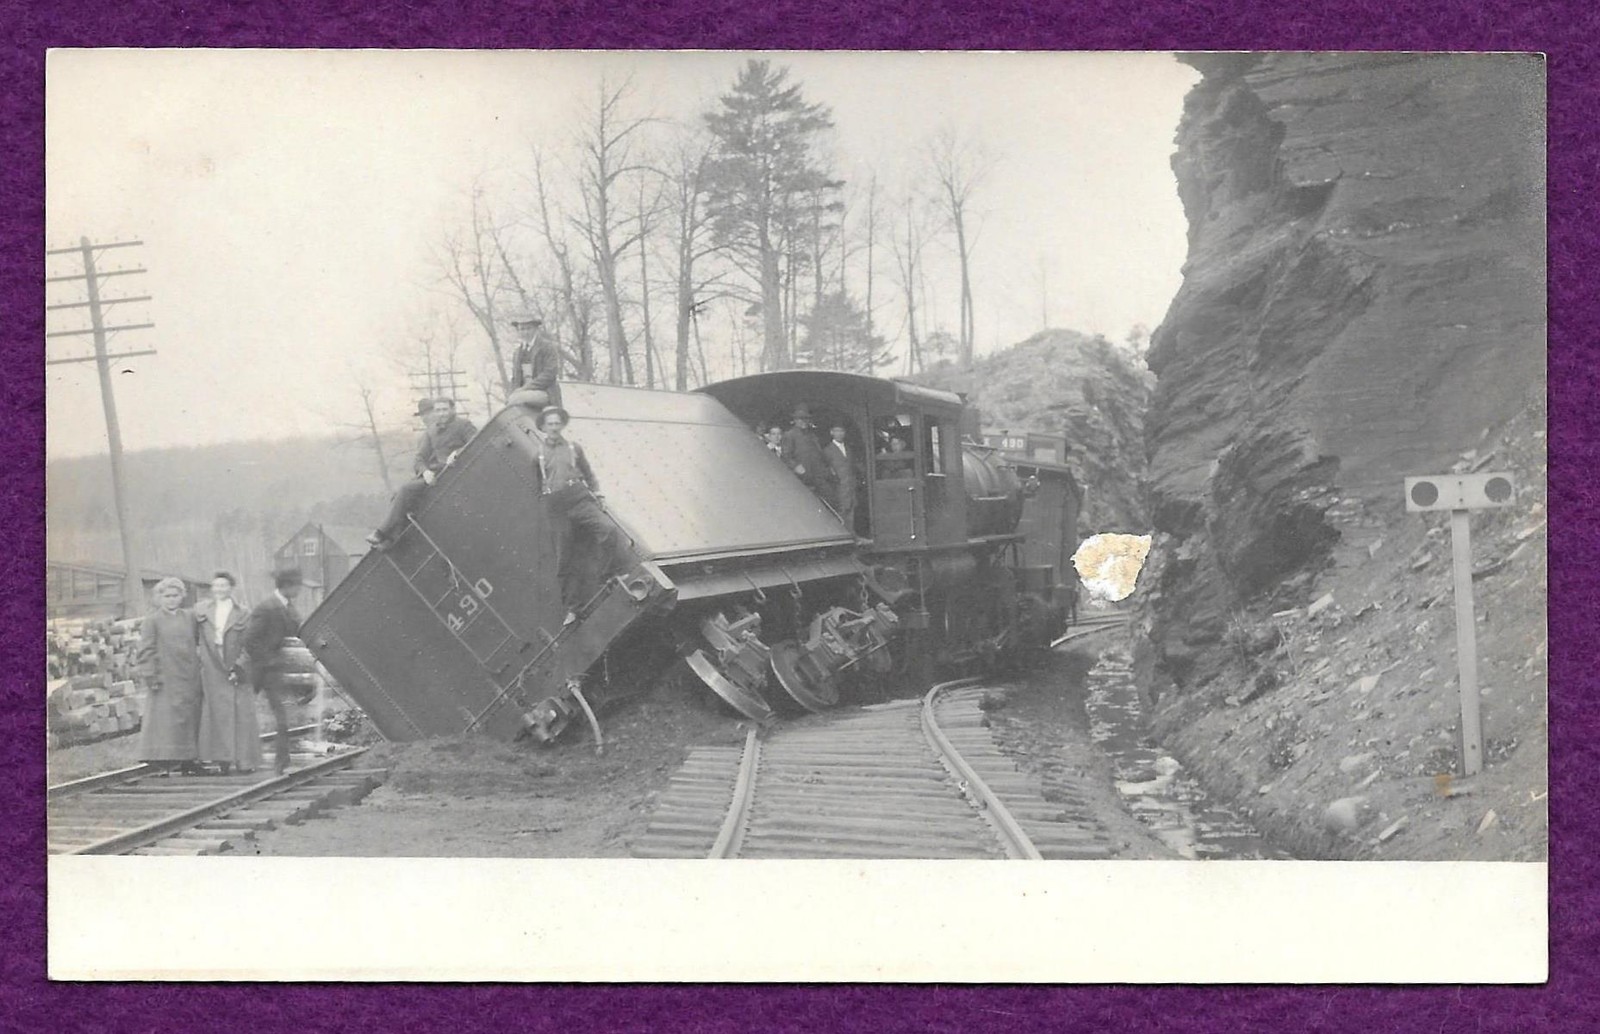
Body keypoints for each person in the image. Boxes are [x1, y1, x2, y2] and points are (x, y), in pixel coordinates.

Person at [531, 406, 630, 626]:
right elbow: (538, 482)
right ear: (544, 427)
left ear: (562, 425)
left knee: (608, 530)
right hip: (556, 506)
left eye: (557, 423)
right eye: (550, 424)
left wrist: (598, 493)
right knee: (564, 560)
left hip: (578, 498)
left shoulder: (575, 448)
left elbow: (588, 473)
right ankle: (573, 609)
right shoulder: (536, 453)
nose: (554, 427)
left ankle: (608, 575)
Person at [368, 397, 478, 549]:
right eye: (438, 410)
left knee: (406, 490)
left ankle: (381, 532)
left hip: (455, 473)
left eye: (445, 409)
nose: (442, 414)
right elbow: (419, 458)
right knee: (399, 495)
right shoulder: (431, 432)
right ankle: (390, 540)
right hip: (434, 476)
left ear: (453, 410)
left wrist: (458, 453)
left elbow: (476, 442)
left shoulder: (464, 425)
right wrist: (425, 471)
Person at [237, 569, 306, 775]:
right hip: (263, 671)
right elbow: (249, 640)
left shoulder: (288, 607)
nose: (299, 590)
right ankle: (247, 759)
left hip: (279, 671)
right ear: (286, 586)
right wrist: (268, 660)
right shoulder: (266, 608)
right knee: (250, 715)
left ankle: (281, 761)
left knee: (283, 716)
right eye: (297, 586)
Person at [133, 577, 204, 774]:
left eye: (175, 596)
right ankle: (163, 762)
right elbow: (145, 651)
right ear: (159, 598)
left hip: (189, 676)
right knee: (165, 720)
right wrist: (151, 676)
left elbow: (200, 640)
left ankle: (189, 760)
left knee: (189, 718)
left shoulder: (189, 617)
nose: (171, 600)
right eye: (167, 596)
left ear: (182, 597)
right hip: (165, 678)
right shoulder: (152, 620)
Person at [195, 571, 260, 775]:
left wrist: (239, 667)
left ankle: (245, 761)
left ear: (231, 588)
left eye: (223, 586)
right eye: (216, 586)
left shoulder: (244, 613)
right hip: (213, 668)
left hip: (237, 666)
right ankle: (222, 759)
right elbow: (195, 639)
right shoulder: (201, 611)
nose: (219, 589)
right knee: (217, 714)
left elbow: (251, 643)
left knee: (242, 714)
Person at [506, 313, 563, 410]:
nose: (525, 332)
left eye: (528, 328)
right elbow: (515, 378)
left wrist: (526, 388)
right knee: (509, 404)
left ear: (536, 329)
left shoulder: (547, 347)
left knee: (517, 399)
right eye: (521, 329)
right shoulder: (518, 352)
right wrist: (512, 393)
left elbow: (549, 374)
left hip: (545, 392)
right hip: (523, 393)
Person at [780, 405, 835, 503]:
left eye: (806, 419)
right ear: (795, 420)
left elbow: (819, 454)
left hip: (818, 475)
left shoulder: (812, 435)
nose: (803, 422)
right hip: (803, 476)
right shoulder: (789, 435)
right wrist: (796, 466)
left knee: (829, 498)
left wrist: (827, 468)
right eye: (800, 419)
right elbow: (786, 456)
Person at [824, 424, 858, 531]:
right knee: (841, 513)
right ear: (831, 432)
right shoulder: (827, 450)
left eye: (841, 431)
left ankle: (852, 536)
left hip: (850, 487)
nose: (839, 434)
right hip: (838, 488)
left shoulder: (849, 448)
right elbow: (826, 468)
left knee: (851, 512)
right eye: (836, 431)